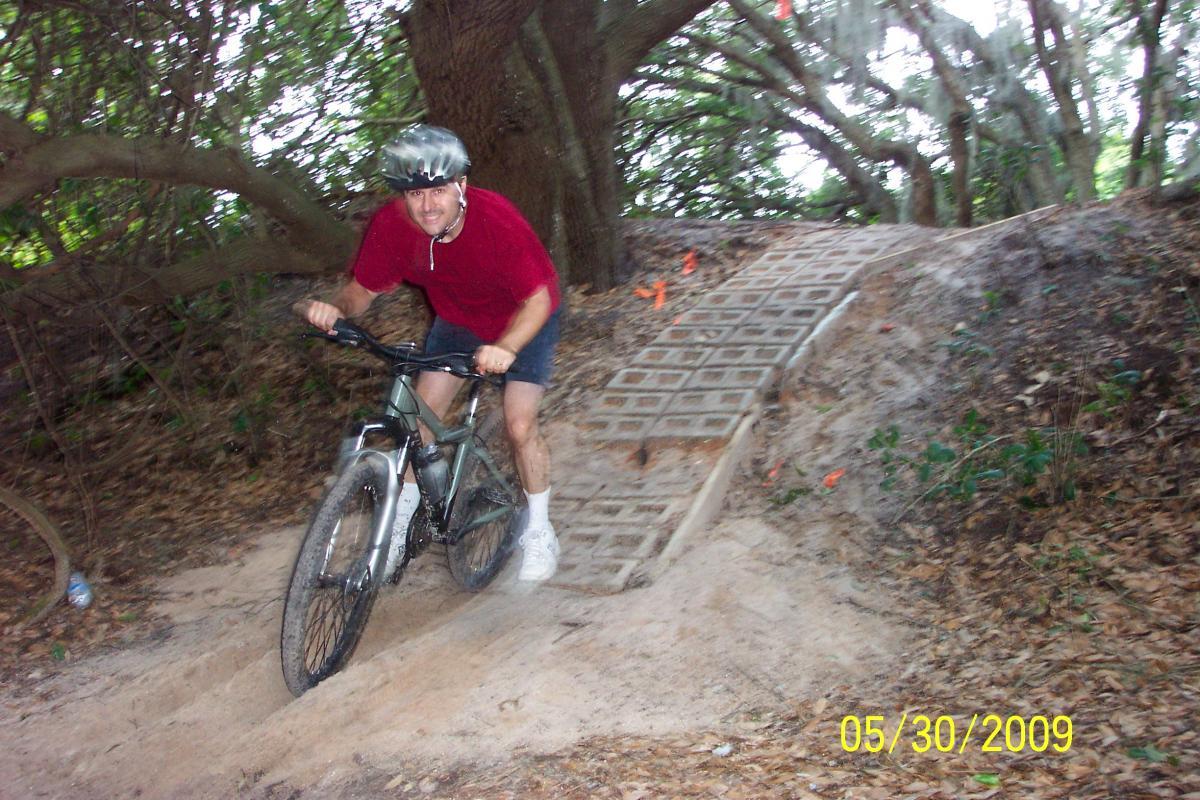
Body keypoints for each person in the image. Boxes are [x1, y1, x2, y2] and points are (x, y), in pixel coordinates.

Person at [298, 125, 561, 582]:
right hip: (458, 323)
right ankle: (395, 528)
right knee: (418, 426)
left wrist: (504, 347)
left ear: (460, 186)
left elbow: (537, 300)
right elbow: (362, 290)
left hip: (522, 320)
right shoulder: (392, 225)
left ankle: (539, 529)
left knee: (520, 424)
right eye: (414, 194)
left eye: (437, 190)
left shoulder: (496, 219)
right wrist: (334, 310)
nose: (426, 205)